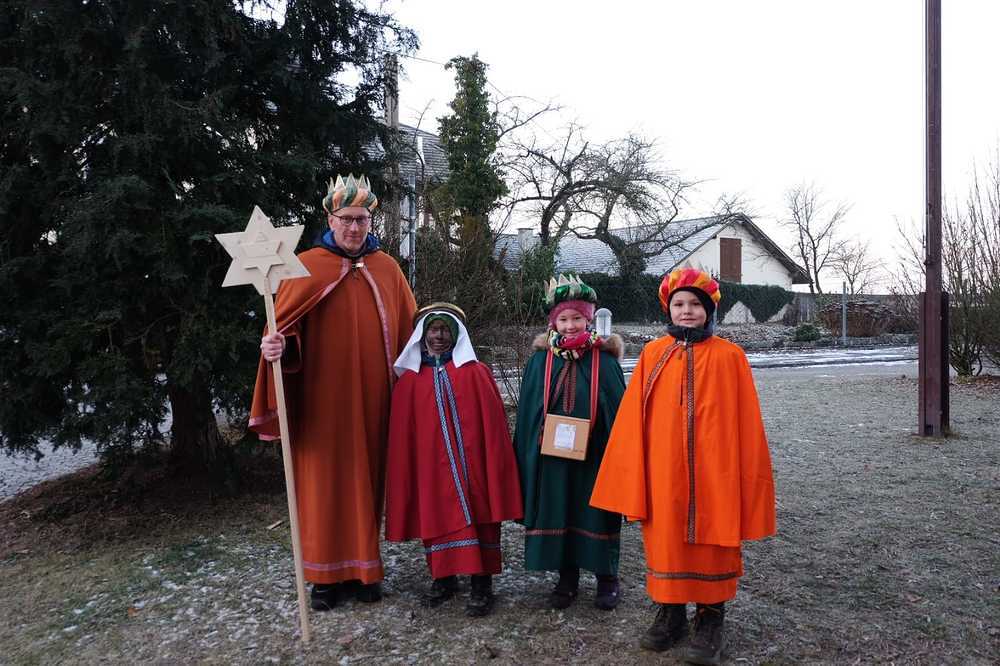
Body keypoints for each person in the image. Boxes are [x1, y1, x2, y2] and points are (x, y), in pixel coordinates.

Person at [590, 267, 776, 665]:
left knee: (714, 540)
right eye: (679, 304)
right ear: (668, 309)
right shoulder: (654, 354)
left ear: (709, 310)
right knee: (666, 540)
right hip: (664, 472)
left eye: (695, 304)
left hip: (716, 471)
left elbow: (747, 421)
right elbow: (632, 418)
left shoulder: (730, 357)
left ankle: (710, 618)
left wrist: (745, 473)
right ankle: (671, 612)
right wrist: (632, 472)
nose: (687, 311)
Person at [251, 174, 416, 610]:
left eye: (362, 219)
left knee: (366, 483)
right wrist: (278, 347)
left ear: (370, 221)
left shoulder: (387, 269)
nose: (354, 228)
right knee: (322, 486)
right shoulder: (305, 266)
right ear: (330, 219)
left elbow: (409, 333)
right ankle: (324, 579)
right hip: (321, 403)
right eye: (347, 219)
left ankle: (363, 572)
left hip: (373, 401)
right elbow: (284, 327)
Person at [385, 303, 523, 617]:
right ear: (422, 335)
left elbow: (494, 429)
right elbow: (404, 439)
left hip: (473, 467)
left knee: (480, 514)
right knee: (435, 514)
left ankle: (481, 583)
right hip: (431, 470)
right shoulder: (410, 382)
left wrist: (492, 466)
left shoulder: (476, 373)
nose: (439, 336)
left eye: (446, 330)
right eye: (433, 329)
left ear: (458, 335)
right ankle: (443, 578)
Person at [512, 274, 627, 610]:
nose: (570, 325)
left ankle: (607, 577)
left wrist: (605, 436)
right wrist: (535, 438)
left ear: (588, 319)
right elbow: (530, 409)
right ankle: (567, 577)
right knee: (559, 508)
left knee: (598, 511)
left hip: (595, 455)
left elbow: (618, 410)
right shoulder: (540, 360)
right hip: (553, 456)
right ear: (554, 322)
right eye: (563, 319)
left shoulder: (604, 360)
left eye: (577, 318)